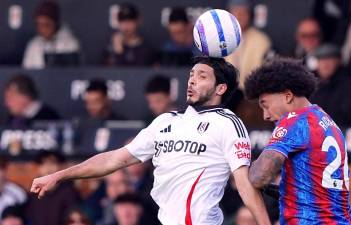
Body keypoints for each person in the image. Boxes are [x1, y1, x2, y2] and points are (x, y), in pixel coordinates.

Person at [30, 57, 270, 225]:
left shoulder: (227, 123)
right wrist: (58, 175)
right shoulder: (165, 121)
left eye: (202, 76)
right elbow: (113, 159)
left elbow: (245, 186)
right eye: (191, 74)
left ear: (220, 88)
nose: (192, 80)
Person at [244, 58, 351, 224]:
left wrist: (244, 167)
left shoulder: (294, 121)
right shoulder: (326, 120)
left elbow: (259, 177)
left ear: (288, 96)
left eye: (265, 105)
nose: (265, 115)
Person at [225, 0, 272, 90]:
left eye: (243, 13)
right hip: (224, 95)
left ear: (250, 15)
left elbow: (265, 73)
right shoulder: (218, 38)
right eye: (235, 12)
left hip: (251, 94)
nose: (239, 16)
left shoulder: (261, 40)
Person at [25, 151, 80, 225]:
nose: (48, 167)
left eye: (52, 163)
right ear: (38, 168)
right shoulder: (33, 194)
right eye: (44, 163)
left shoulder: (70, 192)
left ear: (60, 166)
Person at [310, 44, 351, 127]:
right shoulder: (310, 84)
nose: (325, 64)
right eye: (321, 60)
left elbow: (347, 115)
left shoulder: (348, 85)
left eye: (330, 60)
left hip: (339, 131)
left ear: (338, 61)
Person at [22, 0, 80, 69]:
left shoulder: (70, 44)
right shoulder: (33, 45)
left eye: (46, 25)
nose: (42, 29)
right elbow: (26, 71)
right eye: (38, 24)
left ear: (56, 24)